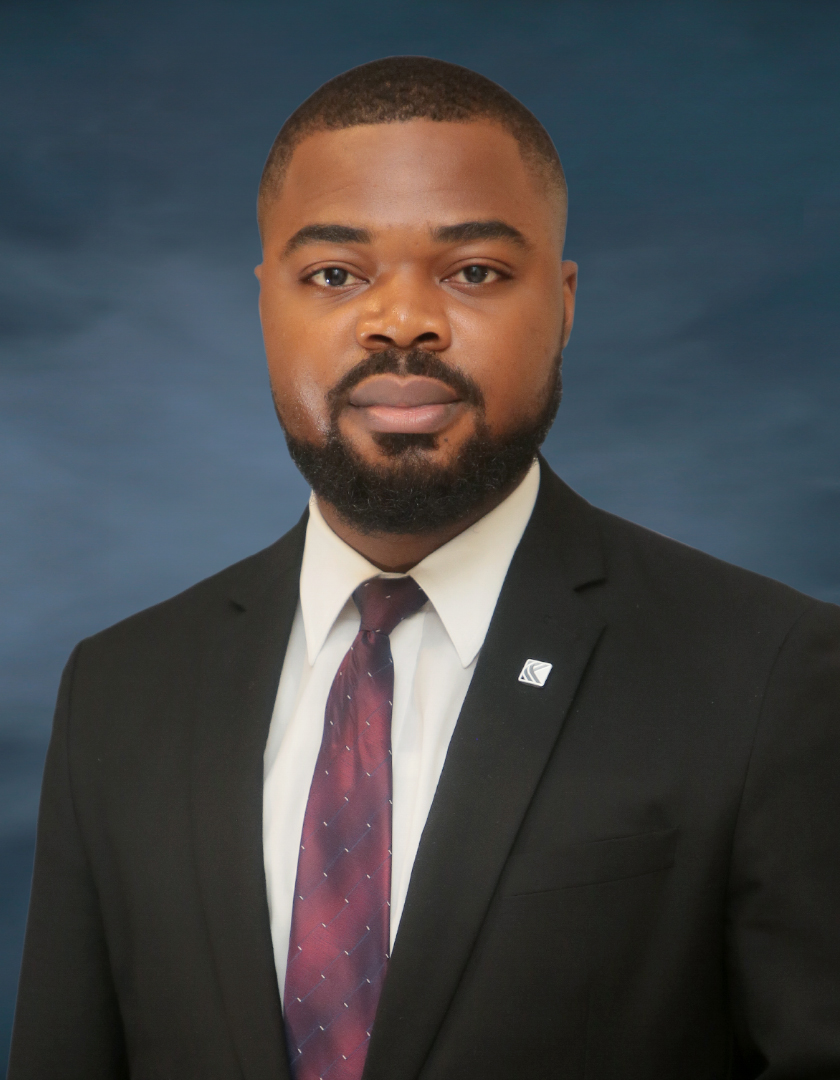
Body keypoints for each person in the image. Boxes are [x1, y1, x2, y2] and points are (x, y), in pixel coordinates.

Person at [9, 56, 840, 1080]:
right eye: (335, 274)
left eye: (474, 272)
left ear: (566, 304)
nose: (401, 321)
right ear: (266, 304)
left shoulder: (773, 674)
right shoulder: (120, 690)